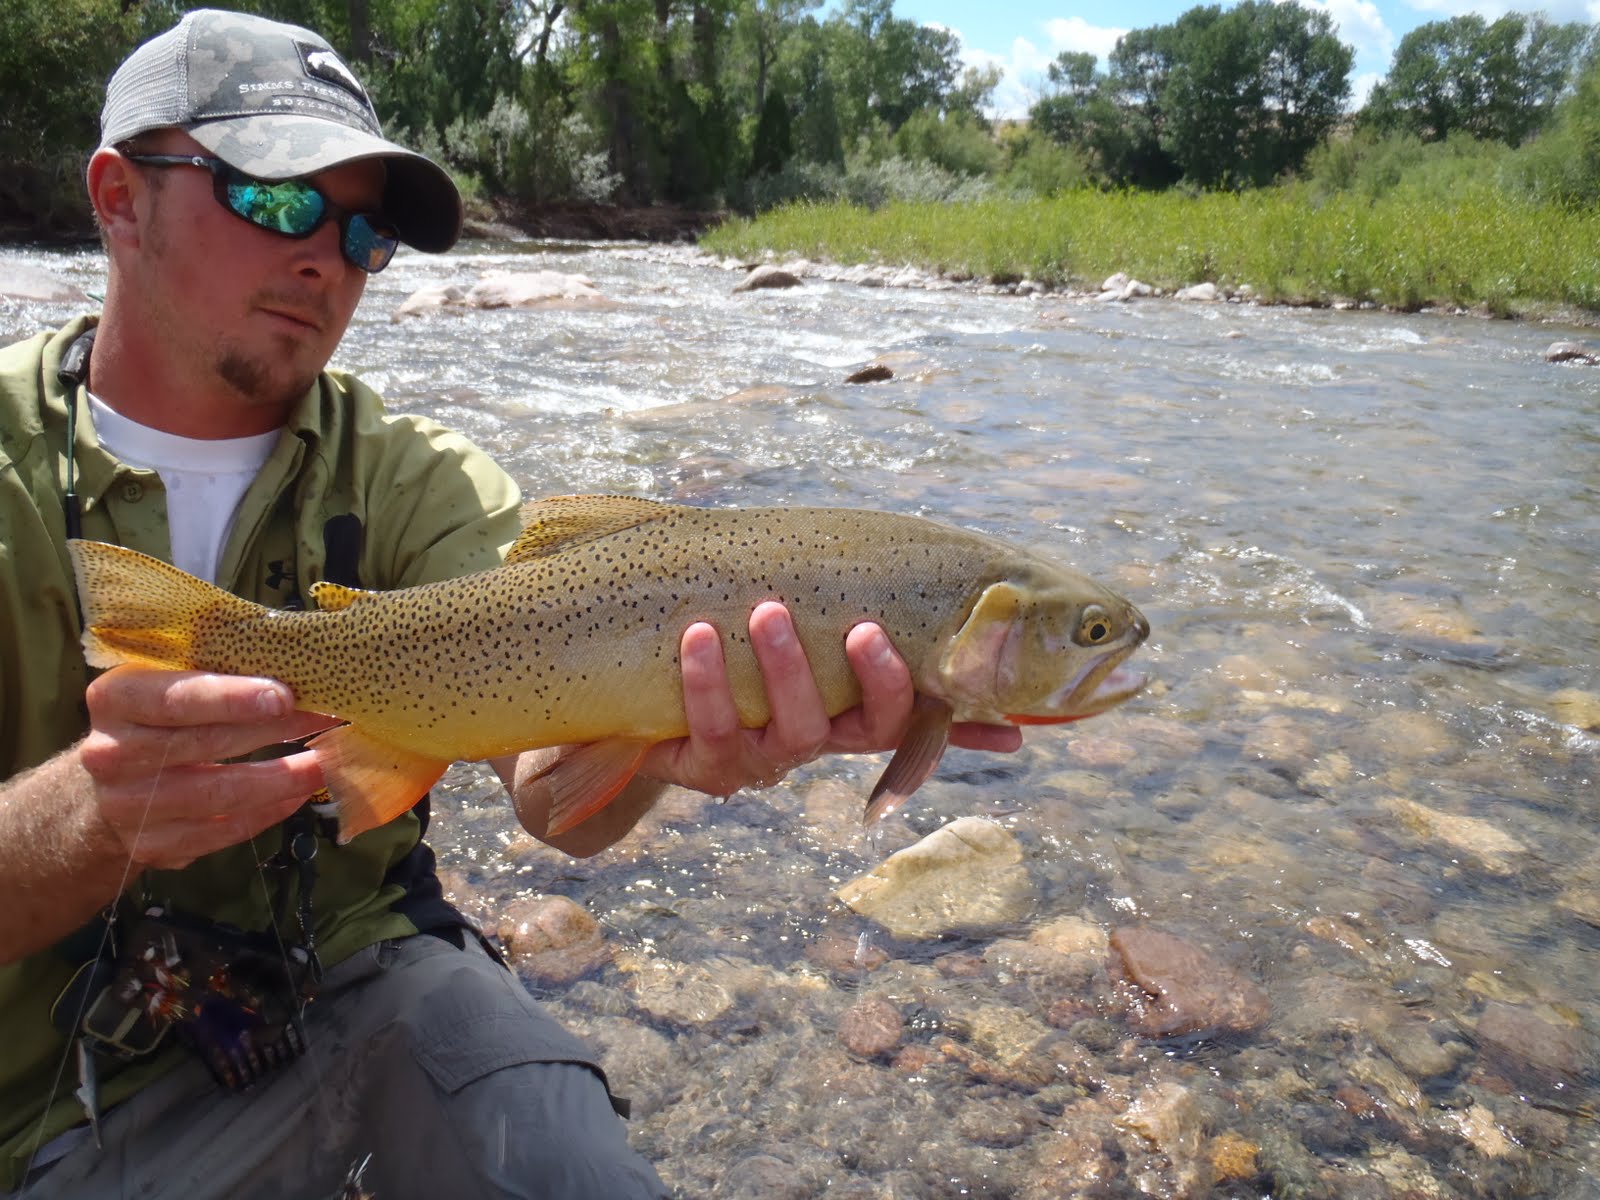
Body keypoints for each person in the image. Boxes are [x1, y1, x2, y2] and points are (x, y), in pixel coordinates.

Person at [0, 9, 1021, 1198]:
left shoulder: (415, 477)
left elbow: (552, 794)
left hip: (360, 986)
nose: (324, 257)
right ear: (119, 197)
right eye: (273, 199)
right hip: (38, 1091)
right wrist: (82, 821)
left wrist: (659, 742)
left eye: (365, 229)